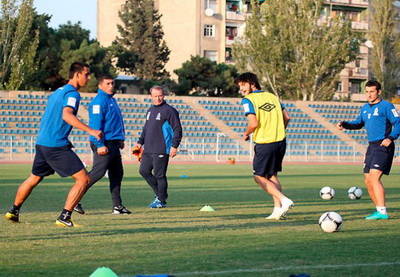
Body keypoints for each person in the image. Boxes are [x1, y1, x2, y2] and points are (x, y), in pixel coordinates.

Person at [4, 62, 103, 227]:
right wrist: (91, 130)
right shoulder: (73, 94)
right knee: (84, 179)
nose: (89, 77)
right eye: (86, 74)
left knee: (34, 178)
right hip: (56, 145)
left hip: (42, 142)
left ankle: (13, 211)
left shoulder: (58, 92)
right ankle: (64, 217)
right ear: (77, 75)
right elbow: (66, 114)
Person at [337, 80, 400, 220]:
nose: (369, 94)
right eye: (367, 91)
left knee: (374, 177)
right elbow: (359, 123)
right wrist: (345, 124)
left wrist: (391, 137)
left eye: (372, 91)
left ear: (379, 92)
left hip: (383, 145)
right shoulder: (365, 108)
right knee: (367, 180)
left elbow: (398, 123)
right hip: (371, 146)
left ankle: (383, 211)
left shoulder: (386, 106)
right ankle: (379, 210)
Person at [235, 72, 293, 220]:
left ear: (252, 84)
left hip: (265, 142)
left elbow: (253, 124)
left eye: (243, 85)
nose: (241, 89)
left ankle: (284, 200)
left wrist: (247, 133)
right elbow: (287, 117)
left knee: (258, 177)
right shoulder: (273, 97)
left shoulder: (248, 100)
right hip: (280, 141)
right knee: (272, 175)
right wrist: (279, 129)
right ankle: (277, 210)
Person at [74, 74, 131, 215]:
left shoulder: (112, 100)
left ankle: (117, 206)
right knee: (97, 173)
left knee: (117, 174)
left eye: (112, 83)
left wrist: (120, 139)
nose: (111, 86)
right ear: (100, 85)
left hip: (113, 143)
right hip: (103, 143)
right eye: (108, 83)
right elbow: (95, 125)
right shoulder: (98, 102)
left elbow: (115, 122)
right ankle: (74, 201)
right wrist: (99, 144)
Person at [134, 86, 182, 208]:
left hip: (162, 148)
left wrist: (174, 146)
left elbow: (177, 129)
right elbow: (146, 129)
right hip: (148, 148)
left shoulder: (169, 110)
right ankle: (160, 194)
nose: (158, 98)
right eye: (155, 96)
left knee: (159, 175)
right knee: (143, 171)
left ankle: (161, 200)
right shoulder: (150, 110)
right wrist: (140, 143)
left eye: (160, 95)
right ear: (151, 97)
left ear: (163, 95)